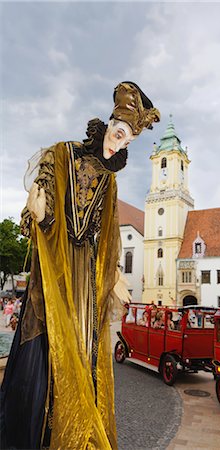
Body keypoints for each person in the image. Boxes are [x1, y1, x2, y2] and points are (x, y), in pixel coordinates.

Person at [0, 81, 160, 450]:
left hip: (86, 274)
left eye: (126, 141)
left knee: (84, 346)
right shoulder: (64, 154)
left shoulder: (109, 179)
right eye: (118, 133)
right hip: (57, 266)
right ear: (107, 123)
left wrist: (115, 273)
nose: (117, 144)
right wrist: (38, 214)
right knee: (45, 338)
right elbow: (45, 209)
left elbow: (106, 234)